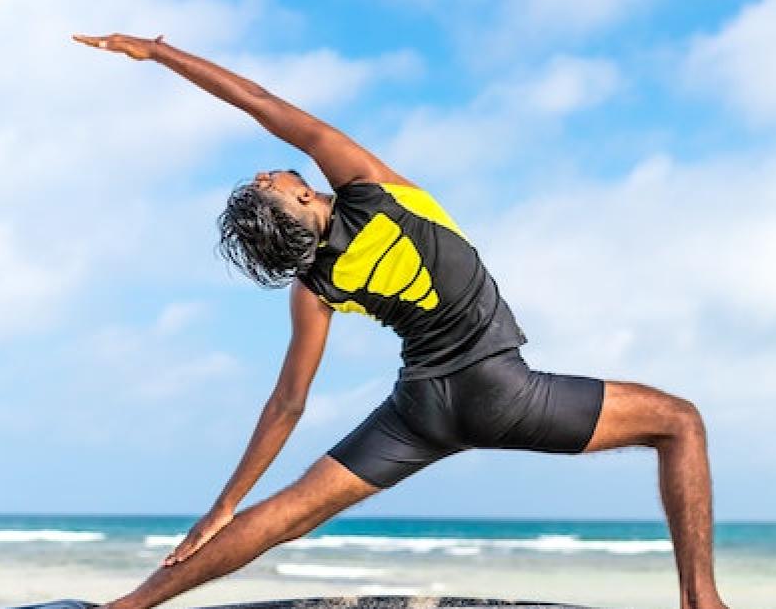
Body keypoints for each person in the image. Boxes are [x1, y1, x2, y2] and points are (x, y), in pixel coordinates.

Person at [71, 32, 731, 609]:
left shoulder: (314, 286)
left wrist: (222, 506)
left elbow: (288, 404)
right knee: (678, 422)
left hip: (421, 410)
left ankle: (131, 604)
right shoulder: (370, 188)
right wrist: (158, 52)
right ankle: (700, 601)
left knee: (289, 513)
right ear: (303, 194)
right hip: (501, 391)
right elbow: (261, 103)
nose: (264, 169)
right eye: (267, 180)